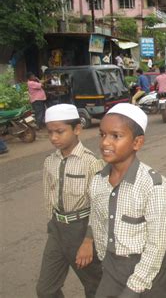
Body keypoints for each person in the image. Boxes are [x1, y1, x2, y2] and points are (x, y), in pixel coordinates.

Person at [89, 103, 166, 297]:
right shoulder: (98, 181)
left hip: (150, 273)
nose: (105, 142)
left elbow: (157, 244)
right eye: (102, 134)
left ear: (137, 142)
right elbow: (97, 221)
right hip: (112, 269)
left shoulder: (153, 185)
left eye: (116, 136)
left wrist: (133, 288)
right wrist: (105, 260)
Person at [36, 104, 103, 298]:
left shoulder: (91, 162)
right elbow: (48, 194)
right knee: (46, 290)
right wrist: (52, 224)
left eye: (60, 131)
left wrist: (88, 241)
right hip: (57, 231)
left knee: (94, 286)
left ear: (77, 129)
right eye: (50, 132)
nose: (54, 137)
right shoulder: (50, 161)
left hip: (82, 230)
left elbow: (99, 205)